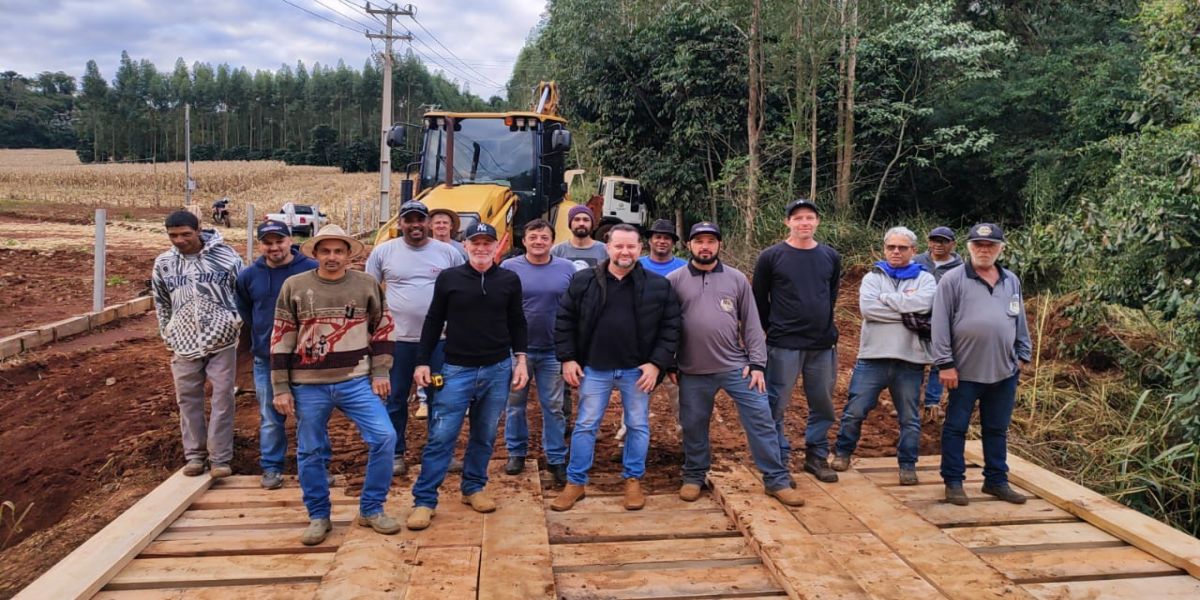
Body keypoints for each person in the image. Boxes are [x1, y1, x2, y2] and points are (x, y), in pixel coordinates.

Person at [271, 224, 401, 545]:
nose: (332, 257)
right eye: (325, 251)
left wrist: (381, 371)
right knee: (310, 449)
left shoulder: (366, 284)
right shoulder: (295, 286)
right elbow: (281, 337)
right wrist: (281, 387)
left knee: (385, 437)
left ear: (348, 254)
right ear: (315, 253)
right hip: (308, 384)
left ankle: (371, 508)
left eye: (338, 251)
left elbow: (383, 329)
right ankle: (318, 515)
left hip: (356, 381)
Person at [668, 222, 804, 506]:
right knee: (693, 424)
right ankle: (694, 475)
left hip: (735, 367)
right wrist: (670, 363)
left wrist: (757, 363)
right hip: (692, 370)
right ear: (689, 245)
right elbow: (665, 326)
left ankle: (776, 480)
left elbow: (752, 323)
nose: (705, 246)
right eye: (699, 241)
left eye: (711, 241)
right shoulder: (674, 280)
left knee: (761, 418)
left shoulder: (737, 278)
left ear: (719, 245)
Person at [406, 222, 529, 530]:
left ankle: (473, 487)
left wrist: (522, 360)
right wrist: (422, 362)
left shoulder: (509, 280)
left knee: (485, 435)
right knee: (442, 436)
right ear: (465, 245)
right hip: (456, 369)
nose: (481, 248)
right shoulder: (450, 279)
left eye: (488, 242)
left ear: (496, 246)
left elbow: (517, 322)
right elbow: (434, 321)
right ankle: (424, 500)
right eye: (476, 242)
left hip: (498, 368)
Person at [550, 224, 681, 512]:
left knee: (637, 425)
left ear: (640, 249)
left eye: (631, 246)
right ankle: (575, 482)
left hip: (637, 370)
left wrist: (657, 363)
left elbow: (670, 327)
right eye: (619, 246)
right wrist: (568, 358)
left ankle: (633, 480)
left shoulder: (657, 285)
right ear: (607, 248)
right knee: (586, 425)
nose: (625, 251)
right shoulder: (584, 281)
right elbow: (565, 319)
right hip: (594, 368)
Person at [933, 223, 1032, 506]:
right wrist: (945, 363)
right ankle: (953, 482)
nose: (984, 250)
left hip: (1004, 370)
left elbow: (1018, 318)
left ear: (1001, 249)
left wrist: (1023, 353)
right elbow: (939, 324)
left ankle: (996, 480)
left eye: (990, 246)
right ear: (968, 247)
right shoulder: (952, 280)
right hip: (964, 371)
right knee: (956, 427)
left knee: (997, 428)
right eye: (978, 245)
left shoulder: (1010, 280)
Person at [829, 227, 936, 485]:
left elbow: (926, 306)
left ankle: (908, 465)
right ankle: (842, 453)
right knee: (855, 410)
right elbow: (869, 310)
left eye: (902, 247)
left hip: (910, 359)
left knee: (909, 418)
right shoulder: (872, 277)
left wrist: (887, 300)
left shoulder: (926, 279)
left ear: (913, 250)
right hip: (872, 357)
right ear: (884, 248)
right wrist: (907, 311)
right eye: (891, 247)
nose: (896, 252)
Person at [365, 200, 463, 475]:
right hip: (398, 341)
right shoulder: (384, 252)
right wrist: (373, 332)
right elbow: (368, 292)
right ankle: (396, 453)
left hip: (440, 342)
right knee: (395, 398)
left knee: (440, 398)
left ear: (428, 223)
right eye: (409, 220)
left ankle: (440, 453)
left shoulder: (448, 253)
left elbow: (463, 288)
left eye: (420, 219)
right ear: (400, 224)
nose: (415, 225)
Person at [235, 220, 332, 490]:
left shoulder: (311, 269)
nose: (274, 247)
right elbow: (246, 311)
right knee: (270, 415)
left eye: (280, 241)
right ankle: (272, 467)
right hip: (267, 358)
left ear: (290, 240)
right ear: (261, 244)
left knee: (312, 415)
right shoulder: (249, 276)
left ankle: (318, 466)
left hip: (307, 359)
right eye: (268, 242)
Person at [752, 198, 841, 483]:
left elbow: (831, 296)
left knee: (823, 402)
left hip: (822, 345)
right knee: (776, 403)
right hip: (783, 344)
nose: (804, 222)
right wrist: (771, 329)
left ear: (818, 222)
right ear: (787, 222)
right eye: (798, 218)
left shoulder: (830, 256)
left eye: (810, 217)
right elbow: (758, 299)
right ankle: (778, 460)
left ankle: (816, 455)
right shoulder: (771, 256)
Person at [152, 210, 243, 479]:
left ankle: (220, 458)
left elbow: (242, 291)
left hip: (222, 340)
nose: (179, 240)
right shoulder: (164, 263)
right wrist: (167, 332)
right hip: (182, 341)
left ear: (199, 230)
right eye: (173, 235)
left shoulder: (226, 257)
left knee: (223, 396)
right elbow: (161, 300)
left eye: (185, 234)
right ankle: (194, 456)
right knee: (188, 398)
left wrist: (234, 321)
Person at [499, 219, 576, 484]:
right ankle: (516, 452)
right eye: (533, 237)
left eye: (544, 237)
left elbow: (575, 309)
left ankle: (555, 458)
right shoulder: (509, 268)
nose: (538, 242)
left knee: (553, 406)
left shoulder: (567, 269)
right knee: (515, 404)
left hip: (554, 350)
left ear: (552, 241)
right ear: (524, 240)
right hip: (518, 351)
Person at [913, 226, 962, 422]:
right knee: (914, 360)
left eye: (943, 241)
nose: (938, 245)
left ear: (953, 244)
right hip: (916, 318)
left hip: (945, 321)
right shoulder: (917, 262)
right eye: (934, 240)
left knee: (938, 361)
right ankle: (911, 403)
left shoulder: (960, 268)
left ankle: (932, 403)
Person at [551, 205, 607, 272]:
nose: (581, 223)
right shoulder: (557, 251)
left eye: (586, 220)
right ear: (570, 224)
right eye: (577, 219)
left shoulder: (605, 250)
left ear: (592, 224)